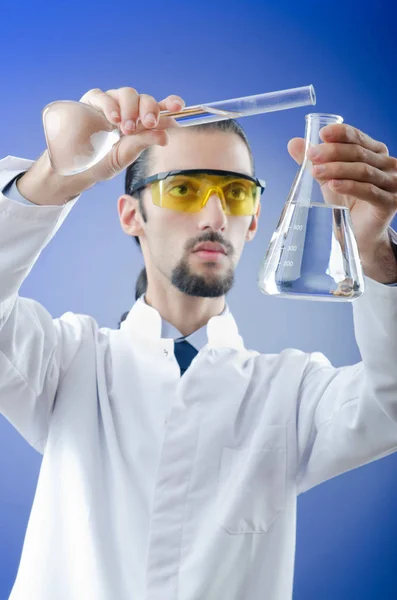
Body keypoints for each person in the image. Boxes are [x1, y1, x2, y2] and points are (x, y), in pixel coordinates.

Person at [1, 86, 397, 600]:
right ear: (130, 215)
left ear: (254, 219)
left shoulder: (292, 393)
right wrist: (52, 178)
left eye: (234, 194)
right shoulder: (65, 362)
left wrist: (374, 253)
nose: (214, 218)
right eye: (184, 189)